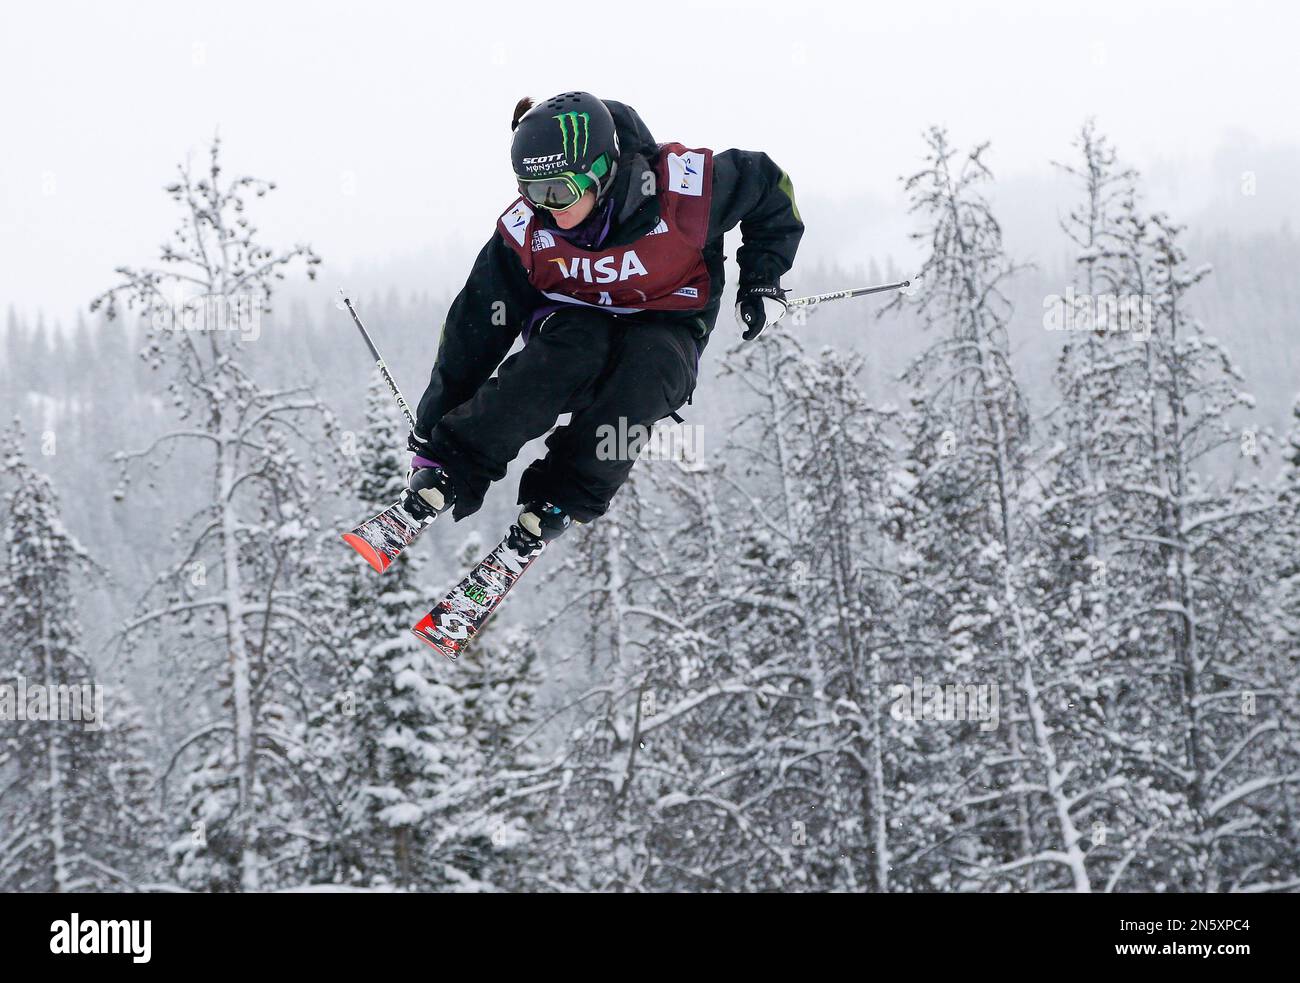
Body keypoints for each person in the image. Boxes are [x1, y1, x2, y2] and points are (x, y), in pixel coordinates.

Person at [403, 91, 803, 553]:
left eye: (558, 191)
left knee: (645, 377)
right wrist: (434, 419)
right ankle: (457, 465)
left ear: (600, 171)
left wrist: (761, 278)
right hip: (575, 317)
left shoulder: (685, 191)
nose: (547, 207)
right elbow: (475, 326)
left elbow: (770, 188)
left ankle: (561, 496)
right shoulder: (526, 230)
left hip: (669, 318)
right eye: (531, 190)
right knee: (561, 359)